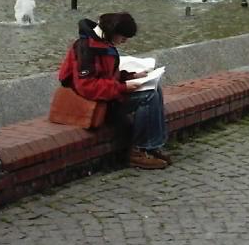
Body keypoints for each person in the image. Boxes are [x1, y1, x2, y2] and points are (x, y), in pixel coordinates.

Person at [58, 12, 170, 170]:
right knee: (148, 96)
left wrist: (132, 77)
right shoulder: (86, 47)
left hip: (106, 97)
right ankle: (138, 150)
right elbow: (87, 86)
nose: (125, 41)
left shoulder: (102, 43)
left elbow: (108, 75)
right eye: (123, 37)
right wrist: (122, 87)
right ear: (113, 32)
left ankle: (151, 147)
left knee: (155, 89)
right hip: (95, 103)